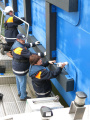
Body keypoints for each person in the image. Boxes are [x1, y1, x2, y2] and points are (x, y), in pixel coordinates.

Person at [11, 33, 45, 101]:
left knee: (18, 80)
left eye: (24, 40)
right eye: (22, 40)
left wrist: (34, 43)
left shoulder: (17, 43)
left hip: (16, 67)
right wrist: (42, 54)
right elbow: (31, 55)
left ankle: (20, 92)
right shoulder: (20, 49)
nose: (24, 41)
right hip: (20, 69)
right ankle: (23, 97)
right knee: (23, 83)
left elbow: (26, 45)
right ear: (18, 39)